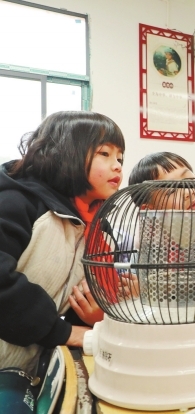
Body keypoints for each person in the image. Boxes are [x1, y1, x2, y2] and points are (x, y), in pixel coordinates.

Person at [0, 112, 125, 379]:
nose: (117, 166)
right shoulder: (16, 202)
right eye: (105, 153)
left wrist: (92, 316)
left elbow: (70, 303)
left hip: (27, 370)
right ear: (67, 152)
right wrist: (67, 333)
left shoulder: (96, 227)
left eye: (120, 157)